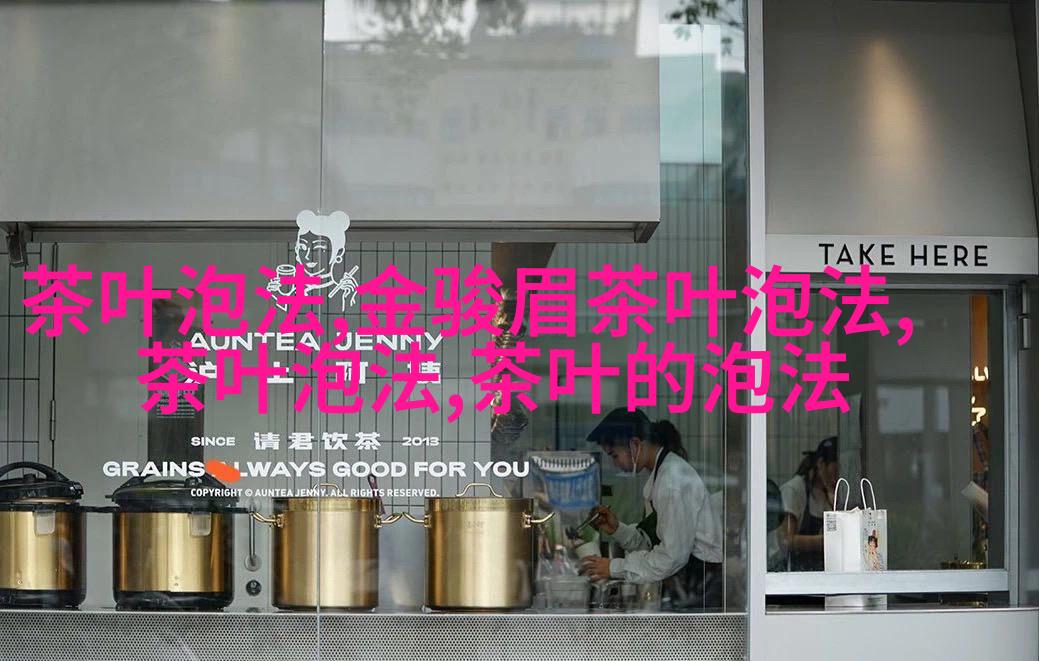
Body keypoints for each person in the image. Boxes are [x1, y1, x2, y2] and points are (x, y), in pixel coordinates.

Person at [579, 408, 724, 610]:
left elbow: (670, 557)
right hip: (684, 585)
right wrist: (617, 529)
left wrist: (614, 568)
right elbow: (652, 544)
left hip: (699, 589)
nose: (615, 464)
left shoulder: (671, 481)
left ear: (635, 444)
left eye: (614, 455)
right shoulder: (660, 475)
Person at [777, 436, 840, 571]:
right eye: (835, 470)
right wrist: (824, 542)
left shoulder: (829, 494)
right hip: (794, 572)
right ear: (821, 464)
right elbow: (785, 540)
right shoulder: (794, 490)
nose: (837, 477)